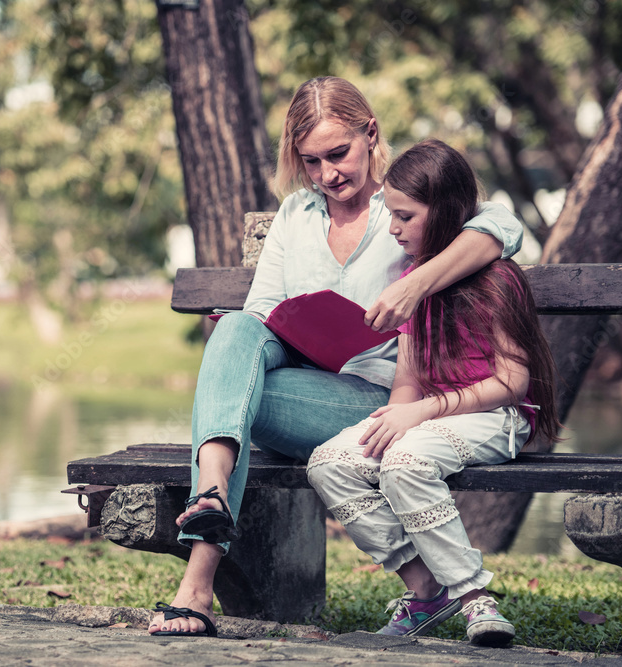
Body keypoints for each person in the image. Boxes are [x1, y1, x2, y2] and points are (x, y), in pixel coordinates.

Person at [148, 77, 524, 637]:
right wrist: (269, 331)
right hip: (302, 390)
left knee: (229, 399)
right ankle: (210, 501)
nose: (328, 174)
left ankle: (197, 586)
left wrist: (413, 285)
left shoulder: (403, 204)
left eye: (338, 153)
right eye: (311, 162)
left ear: (370, 133)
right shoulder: (295, 215)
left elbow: (503, 226)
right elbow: (264, 315)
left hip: (384, 402)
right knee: (234, 336)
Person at [306, 138, 561, 646]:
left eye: (404, 216)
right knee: (330, 462)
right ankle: (424, 590)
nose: (393, 228)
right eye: (390, 215)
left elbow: (513, 383)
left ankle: (473, 599)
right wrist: (392, 422)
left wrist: (419, 415)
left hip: (499, 413)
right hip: (432, 416)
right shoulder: (410, 279)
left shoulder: (495, 278)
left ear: (442, 213)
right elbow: (407, 378)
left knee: (405, 463)